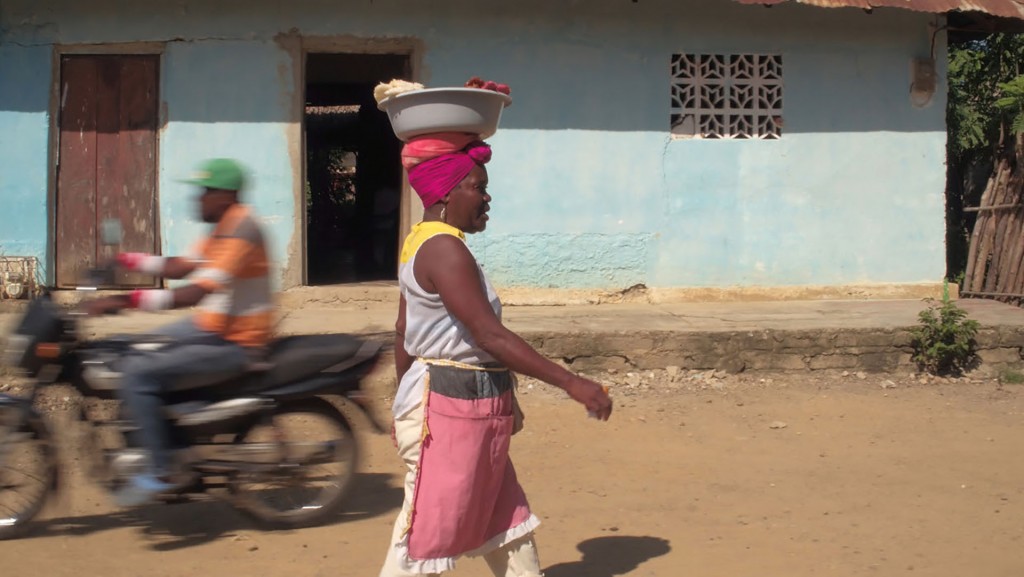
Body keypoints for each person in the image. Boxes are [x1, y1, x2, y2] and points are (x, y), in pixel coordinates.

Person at [379, 133, 613, 577]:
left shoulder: (423, 242)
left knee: (504, 516)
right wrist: (572, 382)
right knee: (425, 530)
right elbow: (488, 335)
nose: (487, 198)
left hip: (464, 407)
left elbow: (403, 330)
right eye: (478, 187)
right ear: (447, 192)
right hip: (447, 410)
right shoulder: (444, 250)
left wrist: (406, 400)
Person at [84, 158, 273, 507]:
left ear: (225, 195)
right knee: (128, 349)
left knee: (137, 374)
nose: (197, 199)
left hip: (235, 342)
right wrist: (123, 261)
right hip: (211, 327)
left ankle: (163, 470)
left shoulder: (243, 230)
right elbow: (179, 265)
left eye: (204, 192)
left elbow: (194, 292)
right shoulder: (223, 227)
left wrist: (125, 300)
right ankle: (166, 435)